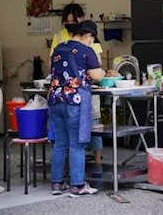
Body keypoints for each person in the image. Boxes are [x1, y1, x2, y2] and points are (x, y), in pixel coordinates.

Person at [48, 18, 105, 197]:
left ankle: (57, 184)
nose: (92, 42)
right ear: (88, 36)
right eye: (92, 39)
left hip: (55, 100)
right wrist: (102, 72)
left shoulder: (59, 48)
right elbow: (97, 76)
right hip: (74, 101)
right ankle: (77, 185)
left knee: (60, 144)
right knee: (77, 145)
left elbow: (52, 68)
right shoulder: (86, 51)